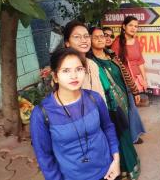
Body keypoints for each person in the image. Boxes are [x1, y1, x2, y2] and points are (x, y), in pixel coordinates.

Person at [30, 48, 120, 180]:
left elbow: (108, 127)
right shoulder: (41, 114)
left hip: (108, 171)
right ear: (55, 76)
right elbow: (44, 157)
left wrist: (116, 160)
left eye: (79, 69)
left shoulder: (94, 98)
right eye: (66, 71)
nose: (74, 76)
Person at [89, 27, 143, 179]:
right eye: (97, 36)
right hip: (106, 104)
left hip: (123, 100)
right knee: (116, 134)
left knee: (124, 130)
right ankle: (125, 167)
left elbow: (125, 73)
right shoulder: (89, 61)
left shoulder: (111, 54)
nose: (102, 38)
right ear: (90, 40)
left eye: (105, 36)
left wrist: (135, 90)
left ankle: (129, 164)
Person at [111, 16, 149, 107]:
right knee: (129, 106)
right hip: (124, 80)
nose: (133, 28)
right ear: (124, 26)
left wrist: (144, 79)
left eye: (136, 26)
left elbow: (140, 61)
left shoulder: (136, 41)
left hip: (136, 79)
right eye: (130, 25)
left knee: (135, 105)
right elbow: (114, 63)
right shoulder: (117, 43)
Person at [63, 20, 105, 99]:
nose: (84, 40)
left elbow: (100, 94)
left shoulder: (92, 64)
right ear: (67, 43)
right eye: (77, 37)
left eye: (86, 36)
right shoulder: (63, 69)